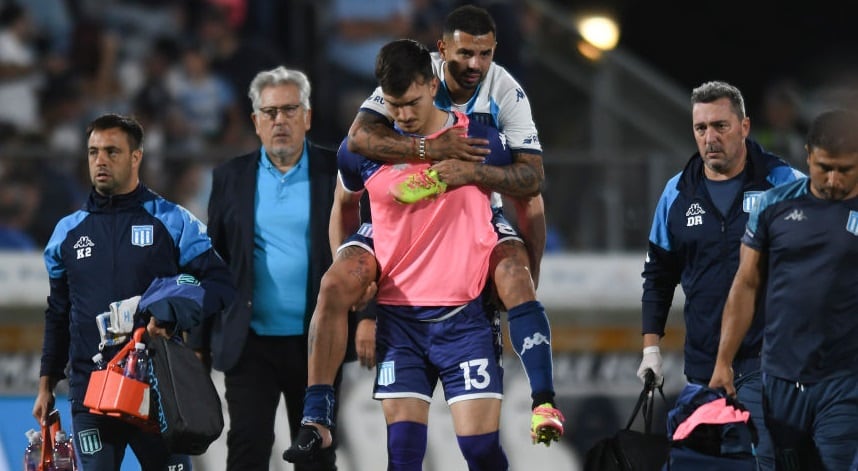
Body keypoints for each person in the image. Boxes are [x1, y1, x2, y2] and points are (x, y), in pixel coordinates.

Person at [337, 3, 562, 441]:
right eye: (465, 55)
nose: (475, 65)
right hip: (398, 211)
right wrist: (432, 154)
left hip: (472, 208)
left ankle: (544, 403)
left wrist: (470, 173)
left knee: (515, 276)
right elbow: (359, 139)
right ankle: (317, 414)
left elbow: (533, 180)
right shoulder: (415, 74)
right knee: (335, 283)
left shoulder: (507, 92)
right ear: (442, 51)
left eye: (485, 54)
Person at [292, 38, 516, 470]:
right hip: (398, 297)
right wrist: (364, 299)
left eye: (412, 103)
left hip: (459, 307)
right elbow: (342, 205)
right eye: (394, 106)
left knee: (481, 452)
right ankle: (316, 412)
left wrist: (516, 270)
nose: (404, 116)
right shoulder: (365, 147)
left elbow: (527, 195)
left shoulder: (477, 134)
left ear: (433, 85)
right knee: (404, 455)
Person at [32, 113, 234, 470]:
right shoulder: (66, 233)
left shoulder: (172, 221)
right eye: (93, 152)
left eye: (112, 151)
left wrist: (173, 312)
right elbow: (58, 311)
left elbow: (220, 283)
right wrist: (47, 383)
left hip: (158, 391)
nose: (100, 161)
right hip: (90, 395)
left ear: (136, 156)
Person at [187, 65, 359, 471]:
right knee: (247, 447)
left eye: (289, 110)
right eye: (270, 112)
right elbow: (214, 259)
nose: (280, 120)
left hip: (318, 341)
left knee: (316, 453)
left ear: (308, 117)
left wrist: (366, 319)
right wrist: (198, 340)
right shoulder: (229, 177)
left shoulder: (336, 173)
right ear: (255, 122)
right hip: (249, 343)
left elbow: (361, 252)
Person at [638, 81, 805, 470]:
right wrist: (650, 348)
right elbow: (659, 275)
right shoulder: (676, 193)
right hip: (703, 367)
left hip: (769, 362)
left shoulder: (784, 183)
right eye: (701, 129)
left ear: (744, 127)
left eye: (720, 126)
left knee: (765, 459)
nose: (710, 138)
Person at [709, 108, 858, 470]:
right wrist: (723, 362)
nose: (834, 179)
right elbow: (746, 284)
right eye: (825, 167)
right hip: (778, 377)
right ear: (808, 155)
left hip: (844, 380)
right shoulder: (773, 205)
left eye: (846, 169)